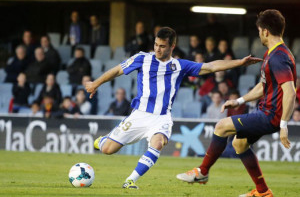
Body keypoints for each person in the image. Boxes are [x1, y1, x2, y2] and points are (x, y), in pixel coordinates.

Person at [84, 26, 261, 189]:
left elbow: (211, 66)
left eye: (162, 46)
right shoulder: (142, 59)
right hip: (139, 115)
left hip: (161, 117)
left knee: (158, 143)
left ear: (172, 46)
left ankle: (130, 180)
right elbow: (117, 70)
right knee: (107, 150)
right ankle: (103, 140)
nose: (157, 49)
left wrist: (239, 62)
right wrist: (95, 84)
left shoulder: (179, 65)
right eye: (155, 44)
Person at [177, 10, 295, 197]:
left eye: (258, 30)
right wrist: (238, 100)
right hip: (268, 112)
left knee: (222, 126)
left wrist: (283, 125)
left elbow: (290, 91)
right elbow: (263, 86)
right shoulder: (273, 54)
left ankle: (202, 172)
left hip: (271, 115)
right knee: (239, 144)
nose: (258, 34)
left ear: (265, 31)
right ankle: (263, 192)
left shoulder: (278, 56)